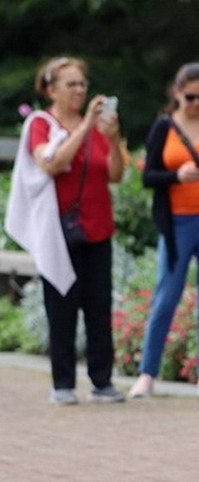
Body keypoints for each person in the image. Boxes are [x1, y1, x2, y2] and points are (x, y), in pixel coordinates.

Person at [4, 56, 126, 405]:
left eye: (82, 84)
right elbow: (52, 164)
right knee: (61, 306)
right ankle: (63, 384)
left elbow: (115, 174)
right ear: (51, 89)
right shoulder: (42, 124)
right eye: (71, 84)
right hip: (59, 231)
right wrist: (85, 127)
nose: (79, 90)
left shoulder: (99, 129)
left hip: (98, 227)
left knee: (99, 308)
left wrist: (113, 139)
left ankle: (102, 381)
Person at [128, 62, 199, 399]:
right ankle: (146, 374)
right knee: (166, 298)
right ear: (177, 93)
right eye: (190, 97)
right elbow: (148, 176)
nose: (196, 104)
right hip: (177, 223)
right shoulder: (164, 126)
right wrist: (178, 175)